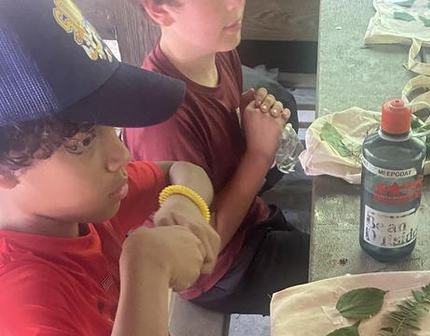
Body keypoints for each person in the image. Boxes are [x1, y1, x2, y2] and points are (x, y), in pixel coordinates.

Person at [0, 0, 299, 336]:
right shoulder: (21, 292)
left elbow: (178, 171)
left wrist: (185, 204)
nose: (118, 153)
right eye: (82, 141)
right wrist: (145, 267)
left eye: (108, 129)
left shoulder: (87, 200)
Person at [124, 0, 311, 315]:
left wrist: (249, 117)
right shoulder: (162, 119)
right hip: (222, 270)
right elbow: (200, 253)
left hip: (249, 216)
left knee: (281, 103)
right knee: (345, 278)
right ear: (159, 10)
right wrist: (258, 155)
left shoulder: (220, 50)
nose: (236, 3)